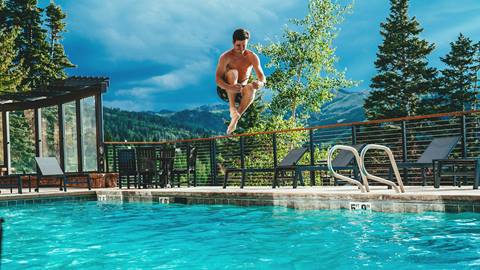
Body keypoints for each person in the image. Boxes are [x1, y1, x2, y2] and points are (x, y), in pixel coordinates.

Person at [215, 28, 266, 134]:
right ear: (233, 43)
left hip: (241, 90)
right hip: (225, 89)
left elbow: (262, 78)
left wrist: (259, 84)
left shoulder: (252, 57)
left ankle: (235, 118)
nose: (241, 48)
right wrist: (229, 87)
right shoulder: (225, 57)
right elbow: (217, 79)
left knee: (251, 88)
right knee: (233, 72)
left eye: (244, 45)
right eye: (238, 45)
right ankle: (232, 108)